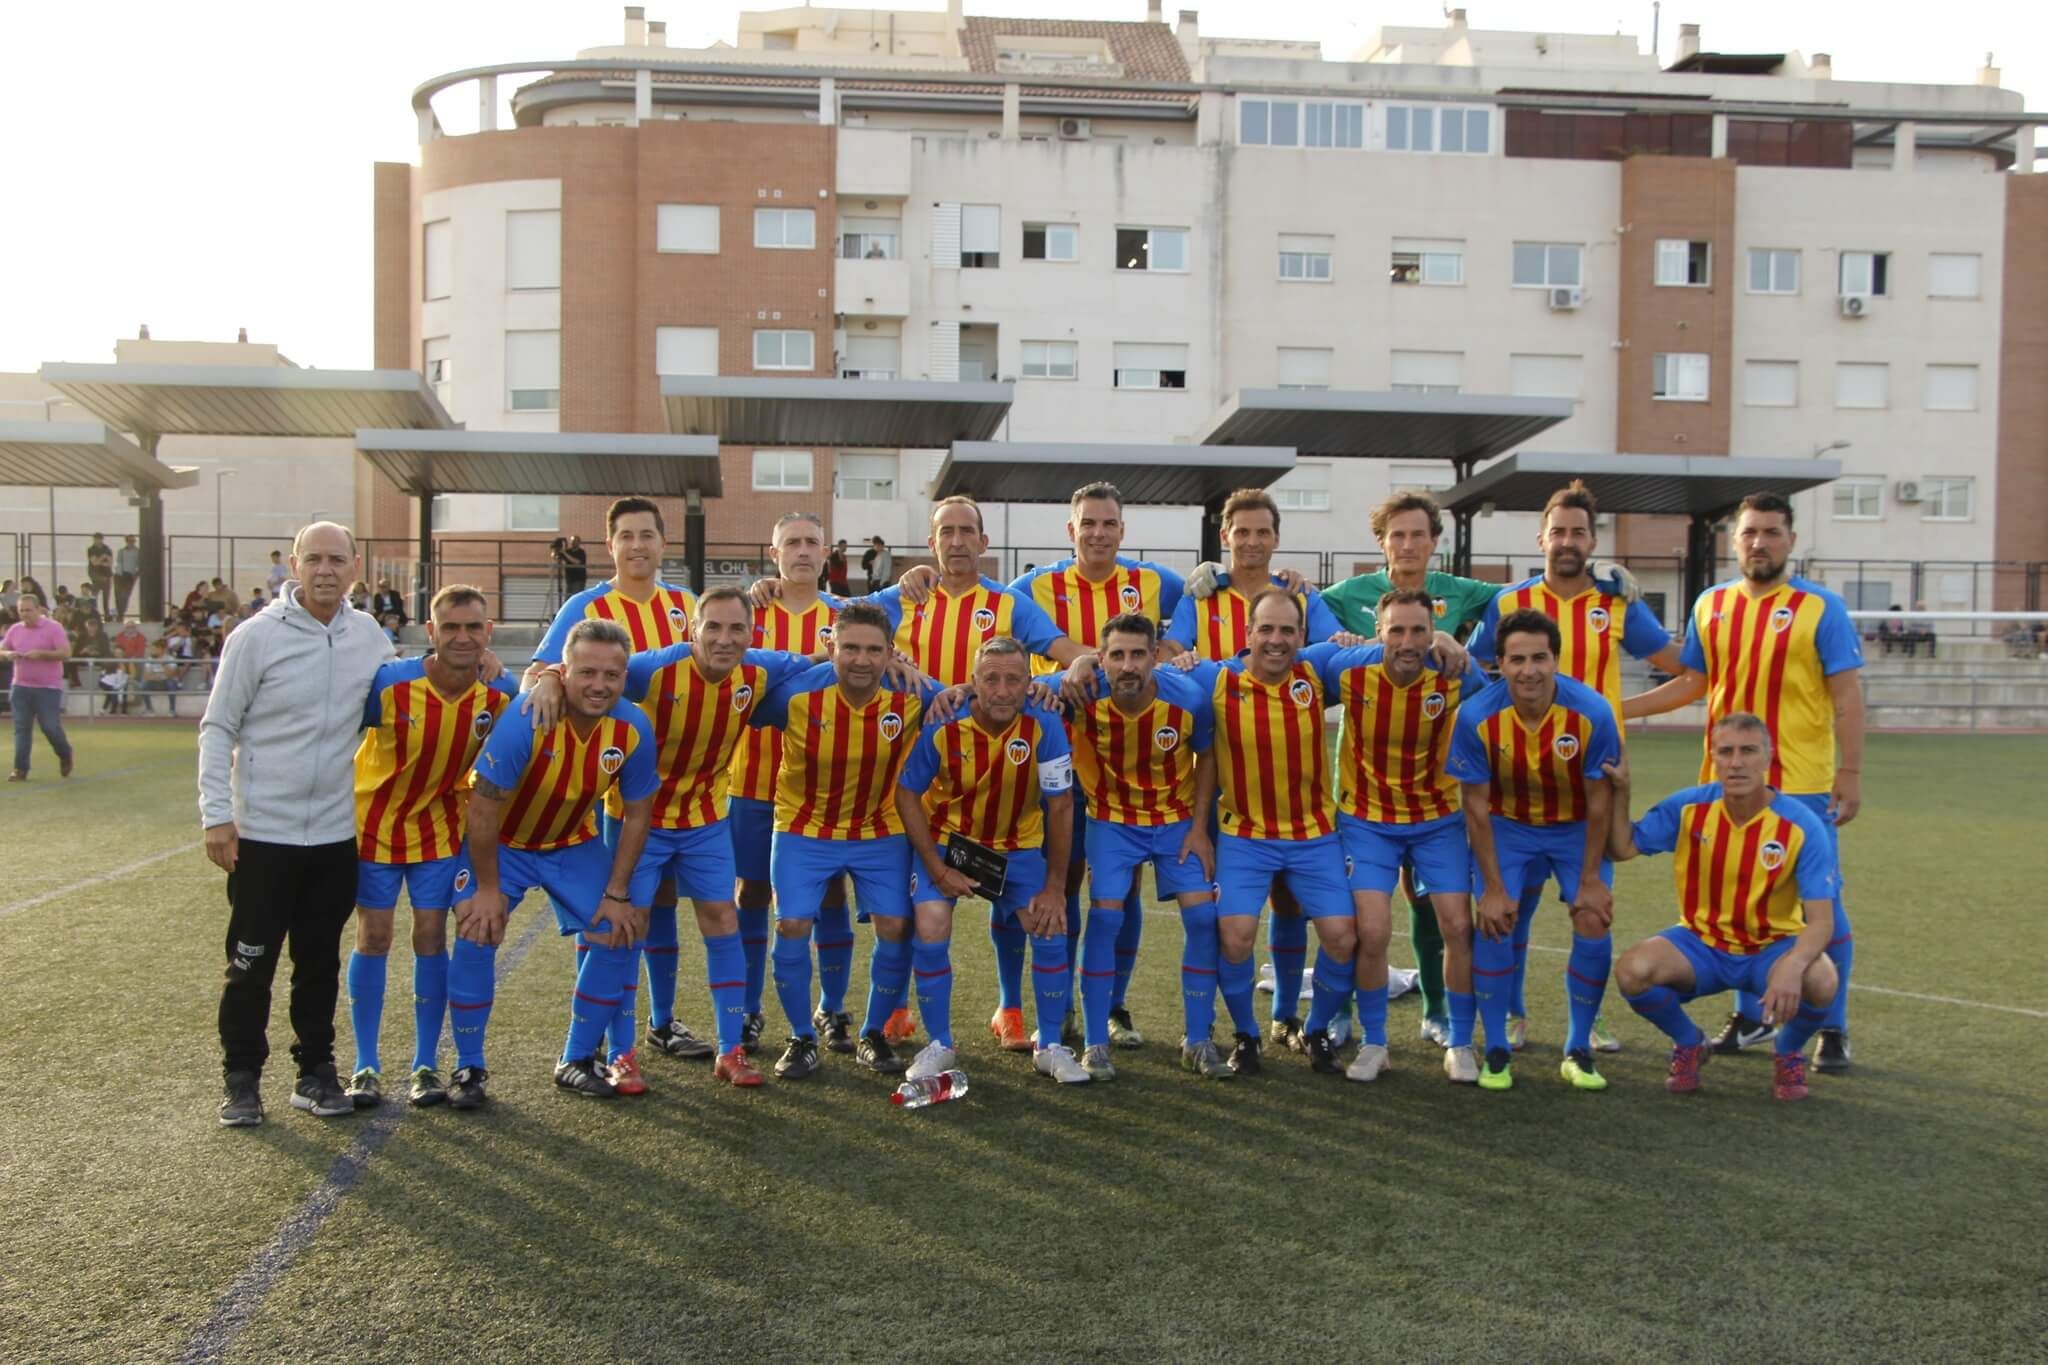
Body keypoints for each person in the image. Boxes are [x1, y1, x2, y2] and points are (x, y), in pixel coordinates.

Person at [1320, 491, 1639, 1048]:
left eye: (1419, 534)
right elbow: (1299, 613)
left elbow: (1526, 596)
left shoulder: (1461, 593)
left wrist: (1601, 578)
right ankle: (1346, 1008)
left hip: (1436, 778)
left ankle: (1439, 1010)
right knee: (1361, 917)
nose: (1409, 544)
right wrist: (1287, 590)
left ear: (1435, 543)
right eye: (1398, 535)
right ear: (1381, 543)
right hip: (1365, 778)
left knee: (1429, 901)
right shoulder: (1350, 594)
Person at [1625, 492, 1864, 1072]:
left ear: (1791, 539)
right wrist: (1613, 710)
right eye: (1750, 533)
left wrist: (1849, 772)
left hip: (1802, 783)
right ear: (1734, 542)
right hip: (1724, 782)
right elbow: (1692, 684)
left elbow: (1847, 695)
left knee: (1821, 908)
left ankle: (1832, 1027)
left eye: (1772, 532)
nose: (1760, 542)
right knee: (1736, 900)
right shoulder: (1711, 604)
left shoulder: (1820, 607)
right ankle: (1750, 1014)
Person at [1467, 480, 1684, 1058]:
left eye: (1578, 532)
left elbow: (1687, 671)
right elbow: (1471, 669)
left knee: (1591, 907)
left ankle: (1583, 1028)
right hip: (1517, 783)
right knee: (1513, 909)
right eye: (1558, 530)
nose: (1567, 541)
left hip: (1591, 787)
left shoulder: (1616, 601)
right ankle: (1512, 1013)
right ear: (1541, 537)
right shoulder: (1509, 602)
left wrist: (1620, 710)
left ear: (1593, 540)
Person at [202, 522, 396, 1128]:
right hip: (263, 836)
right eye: (313, 559)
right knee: (250, 964)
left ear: (355, 567)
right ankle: (242, 1080)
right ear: (293, 565)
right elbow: (217, 727)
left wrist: (488, 664)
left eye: (337, 560)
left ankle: (315, 1072)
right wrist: (217, 816)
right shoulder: (254, 638)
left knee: (319, 963)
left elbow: (409, 693)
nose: (325, 570)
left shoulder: (369, 637)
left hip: (335, 838)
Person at [604, 587, 813, 1092]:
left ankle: (729, 1050)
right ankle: (620, 1054)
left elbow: (816, 657)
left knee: (722, 919)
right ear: (691, 631)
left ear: (750, 634)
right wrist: (544, 677)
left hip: (703, 818)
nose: (724, 638)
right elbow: (597, 670)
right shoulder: (652, 669)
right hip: (638, 819)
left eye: (736, 628)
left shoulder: (759, 670)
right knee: (625, 928)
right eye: (713, 628)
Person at [445, 620, 658, 1107]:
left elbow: (638, 811)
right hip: (502, 844)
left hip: (570, 844)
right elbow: (482, 807)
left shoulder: (632, 727)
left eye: (611, 674)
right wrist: (487, 889)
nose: (599, 685)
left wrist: (617, 891)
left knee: (618, 928)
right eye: (586, 673)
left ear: (625, 677)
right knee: (478, 929)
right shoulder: (529, 716)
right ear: (563, 671)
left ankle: (577, 1059)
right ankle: (468, 1068)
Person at [1013, 482, 1188, 1050]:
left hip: (1126, 765)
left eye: (1108, 523)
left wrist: (1175, 642)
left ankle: (1112, 1006)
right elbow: (983, 602)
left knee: (1122, 891)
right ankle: (1047, 1005)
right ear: (1071, 530)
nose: (1097, 533)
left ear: (1122, 530)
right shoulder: (1034, 586)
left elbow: (1203, 598)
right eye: (1087, 523)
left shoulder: (1157, 582)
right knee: (1055, 884)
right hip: (1059, 758)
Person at [748, 603, 941, 1080]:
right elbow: (739, 695)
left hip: (879, 828)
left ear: (891, 653)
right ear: (831, 646)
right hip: (803, 827)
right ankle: (801, 1037)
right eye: (850, 647)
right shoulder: (792, 695)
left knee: (896, 926)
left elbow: (970, 700)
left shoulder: (914, 694)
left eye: (874, 650)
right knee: (792, 924)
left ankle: (873, 1033)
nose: (861, 659)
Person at [1605, 715, 1841, 1101]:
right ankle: (1690, 1042)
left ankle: (1788, 1052)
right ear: (1712, 757)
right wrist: (1623, 791)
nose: (1737, 762)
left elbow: (1821, 922)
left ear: (1768, 757)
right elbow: (1623, 847)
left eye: (1748, 751)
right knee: (1633, 971)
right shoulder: (1689, 807)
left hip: (1773, 946)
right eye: (1726, 751)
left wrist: (1794, 966)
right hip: (1702, 943)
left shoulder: (1801, 826)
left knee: (1822, 980)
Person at [346, 585, 515, 1109]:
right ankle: (365, 1066)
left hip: (440, 832)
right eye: (451, 627)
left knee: (429, 937)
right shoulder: (391, 684)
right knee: (373, 936)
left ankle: (425, 1063)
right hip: (373, 827)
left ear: (488, 633)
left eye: (473, 627)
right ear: (430, 632)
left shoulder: (499, 696)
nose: (462, 637)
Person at [1445, 608, 1620, 1094]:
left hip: (1575, 828)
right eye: (1517, 659)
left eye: (1540, 658)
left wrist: (1589, 879)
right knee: (1496, 923)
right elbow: (1475, 809)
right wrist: (1494, 889)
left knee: (1591, 915)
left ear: (1556, 660)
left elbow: (1600, 800)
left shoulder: (1592, 713)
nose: (1529, 670)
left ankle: (1578, 1046)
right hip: (1508, 827)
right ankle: (1497, 1046)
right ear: (1499, 662)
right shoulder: (1478, 717)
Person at [897, 638, 1080, 1082]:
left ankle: (1051, 1044)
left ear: (1028, 683)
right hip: (948, 846)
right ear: (973, 684)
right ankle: (939, 1043)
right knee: (931, 924)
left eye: (1014, 679)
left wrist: (1056, 887)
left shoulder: (1046, 723)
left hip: (1016, 849)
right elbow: (906, 793)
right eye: (991, 679)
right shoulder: (945, 720)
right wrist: (936, 868)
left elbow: (1060, 804)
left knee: (1050, 924)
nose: (1002, 690)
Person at [1053, 613, 1225, 1077]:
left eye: (1137, 654)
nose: (1127, 666)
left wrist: (1199, 828)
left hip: (1175, 821)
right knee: (1105, 917)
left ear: (1154, 657)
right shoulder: (1082, 691)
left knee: (1204, 918)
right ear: (1101, 659)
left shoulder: (1189, 697)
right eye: (1116, 655)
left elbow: (1207, 757)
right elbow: (1011, 684)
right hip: (1112, 821)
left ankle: (1198, 1038)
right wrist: (1074, 666)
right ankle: (1094, 1042)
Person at [1330, 588, 1478, 1082]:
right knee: (1371, 931)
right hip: (1368, 820)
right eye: (1397, 630)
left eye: (1419, 630)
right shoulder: (1349, 669)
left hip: (1437, 821)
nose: (1408, 641)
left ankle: (1460, 1041)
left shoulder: (1453, 672)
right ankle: (1374, 1042)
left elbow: (1505, 692)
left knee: (1458, 926)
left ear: (1433, 632)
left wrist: (1464, 651)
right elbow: (1290, 658)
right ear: (1380, 633)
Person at [730, 513, 851, 1053]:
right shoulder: (750, 615)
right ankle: (750, 1008)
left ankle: (832, 1007)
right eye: (791, 543)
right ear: (773, 553)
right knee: (751, 893)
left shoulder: (847, 617)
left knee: (830, 893)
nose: (802, 551)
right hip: (752, 780)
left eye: (811, 542)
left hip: (828, 791)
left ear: (826, 554)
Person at [2, 593, 74, 782]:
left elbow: (66, 653)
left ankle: (65, 753)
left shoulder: (54, 628)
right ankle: (20, 769)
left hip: (48, 688)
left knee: (50, 727)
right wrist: (8, 654)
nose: (25, 614)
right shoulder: (15, 630)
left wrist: (42, 654)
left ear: (39, 610)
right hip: (20, 687)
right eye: (21, 611)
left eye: (28, 610)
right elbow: (2, 649)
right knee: (21, 729)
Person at [138, 638, 181, 715]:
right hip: (154, 682)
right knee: (143, 685)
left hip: (166, 682)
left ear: (162, 649)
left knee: (171, 684)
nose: (153, 651)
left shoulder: (170, 659)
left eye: (155, 649)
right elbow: (146, 676)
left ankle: (172, 710)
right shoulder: (150, 659)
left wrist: (162, 663)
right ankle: (149, 710)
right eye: (152, 649)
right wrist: (156, 676)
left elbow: (170, 675)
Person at [114, 535, 142, 621]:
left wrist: (136, 575)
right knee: (118, 596)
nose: (132, 543)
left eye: (133, 541)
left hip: (130, 576)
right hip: (119, 575)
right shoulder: (121, 551)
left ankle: (121, 613)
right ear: (126, 541)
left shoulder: (138, 552)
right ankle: (119, 614)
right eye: (130, 541)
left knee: (125, 596)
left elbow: (139, 565)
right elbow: (118, 563)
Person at [86, 532, 114, 617]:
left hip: (107, 574)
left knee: (106, 596)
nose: (98, 541)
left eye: (99, 539)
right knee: (95, 595)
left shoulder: (107, 549)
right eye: (96, 539)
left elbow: (109, 563)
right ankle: (95, 613)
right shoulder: (91, 549)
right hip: (95, 574)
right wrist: (103, 557)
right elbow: (94, 563)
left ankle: (107, 614)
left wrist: (100, 561)